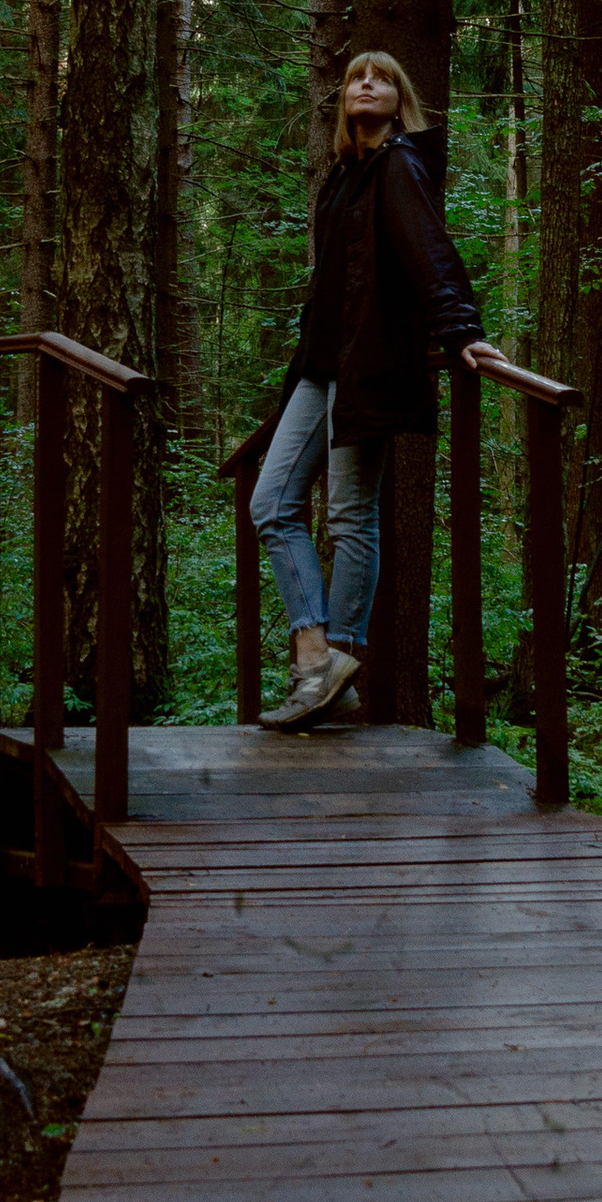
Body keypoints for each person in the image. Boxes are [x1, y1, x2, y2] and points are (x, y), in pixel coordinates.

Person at [249, 51, 495, 731]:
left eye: (382, 78)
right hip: (320, 367)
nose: (366, 84)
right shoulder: (343, 178)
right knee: (271, 504)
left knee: (353, 516)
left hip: (369, 366)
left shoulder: (399, 166)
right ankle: (321, 656)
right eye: (358, 77)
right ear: (344, 102)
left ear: (399, 101)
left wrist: (461, 330)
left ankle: (325, 664)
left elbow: (429, 251)